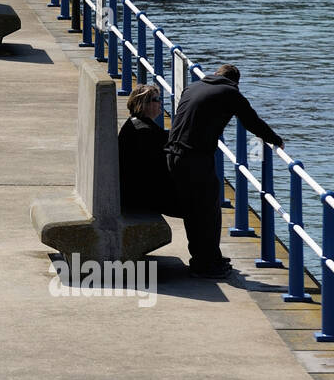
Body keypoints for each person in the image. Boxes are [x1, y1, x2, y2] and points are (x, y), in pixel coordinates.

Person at [164, 64, 283, 279]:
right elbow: (252, 122)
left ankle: (204, 259)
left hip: (172, 153)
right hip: (195, 158)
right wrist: (276, 140)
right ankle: (208, 264)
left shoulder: (193, 87)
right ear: (236, 82)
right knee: (209, 211)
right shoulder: (230, 93)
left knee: (194, 212)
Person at [118, 84, 179, 215]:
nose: (160, 102)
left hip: (137, 190)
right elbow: (160, 166)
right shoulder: (144, 131)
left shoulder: (135, 124)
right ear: (143, 104)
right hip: (141, 196)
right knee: (199, 203)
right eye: (156, 99)